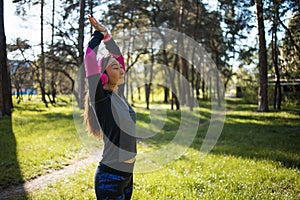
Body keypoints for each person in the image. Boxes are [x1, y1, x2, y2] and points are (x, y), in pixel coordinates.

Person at [83, 15, 137, 200]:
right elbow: (89, 58)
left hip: (127, 177)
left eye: (120, 68)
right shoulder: (101, 98)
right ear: (103, 76)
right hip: (110, 178)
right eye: (115, 68)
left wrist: (107, 34)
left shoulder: (118, 94)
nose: (122, 70)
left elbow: (119, 59)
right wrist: (98, 35)